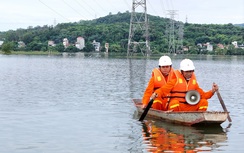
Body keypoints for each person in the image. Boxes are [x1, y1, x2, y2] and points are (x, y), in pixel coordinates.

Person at [154, 58, 219, 111]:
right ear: (182, 71)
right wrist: (156, 94)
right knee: (174, 103)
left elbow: (203, 95)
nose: (189, 73)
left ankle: (198, 118)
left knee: (204, 102)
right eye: (187, 71)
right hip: (177, 108)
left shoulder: (194, 83)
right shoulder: (175, 80)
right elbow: (162, 90)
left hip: (189, 107)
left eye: (191, 71)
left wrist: (212, 91)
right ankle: (176, 118)